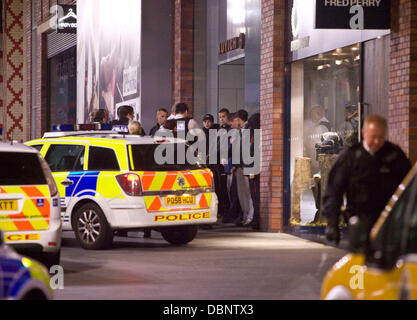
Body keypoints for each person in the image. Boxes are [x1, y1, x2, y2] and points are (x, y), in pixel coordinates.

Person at [323, 114, 411, 245]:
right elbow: (334, 191)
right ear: (364, 133)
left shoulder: (394, 155)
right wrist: (332, 223)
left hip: (388, 224)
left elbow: (409, 186)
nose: (376, 141)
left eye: (380, 137)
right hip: (359, 223)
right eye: (373, 137)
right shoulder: (351, 157)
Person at [231, 110, 254, 226]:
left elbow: (247, 150)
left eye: (234, 120)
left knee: (248, 193)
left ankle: (250, 217)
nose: (233, 123)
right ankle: (245, 216)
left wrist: (246, 165)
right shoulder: (240, 132)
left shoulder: (248, 130)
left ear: (239, 119)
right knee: (242, 193)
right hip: (240, 166)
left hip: (245, 166)